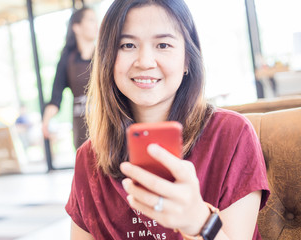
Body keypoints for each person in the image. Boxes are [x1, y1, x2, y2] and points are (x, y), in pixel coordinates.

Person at [66, 0, 270, 239]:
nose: (145, 61)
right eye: (128, 45)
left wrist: (198, 222)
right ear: (108, 58)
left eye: (163, 44)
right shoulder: (88, 158)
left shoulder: (232, 135)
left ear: (187, 59)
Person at [42, 7, 98, 149]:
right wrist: (46, 122)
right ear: (77, 27)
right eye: (91, 20)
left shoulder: (105, 55)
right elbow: (55, 98)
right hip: (81, 128)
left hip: (106, 123)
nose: (96, 25)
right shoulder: (67, 59)